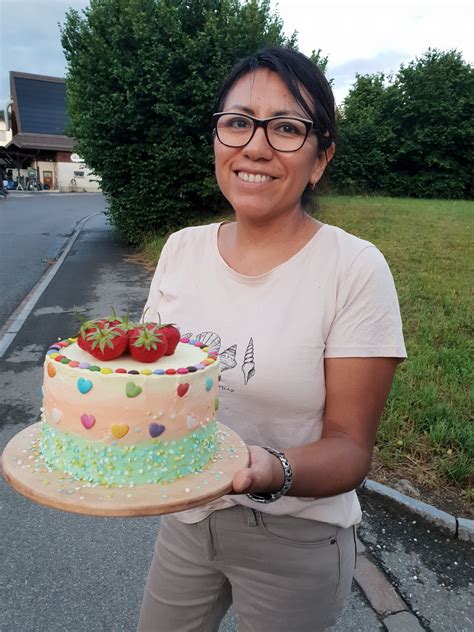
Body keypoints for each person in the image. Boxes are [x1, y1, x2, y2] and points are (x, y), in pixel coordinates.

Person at [138, 46, 406, 632]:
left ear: (319, 160)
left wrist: (267, 469)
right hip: (184, 520)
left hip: (298, 538)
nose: (255, 146)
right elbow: (150, 383)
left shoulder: (353, 269)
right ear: (216, 139)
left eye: (287, 128)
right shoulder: (180, 250)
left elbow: (348, 448)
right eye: (237, 122)